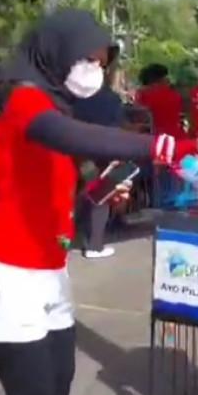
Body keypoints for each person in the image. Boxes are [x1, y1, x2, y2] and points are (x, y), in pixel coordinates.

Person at [0, 10, 198, 395]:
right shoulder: (26, 101)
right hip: (4, 273)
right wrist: (171, 147)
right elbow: (74, 138)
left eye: (102, 63)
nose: (95, 71)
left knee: (56, 394)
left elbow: (55, 185)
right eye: (88, 59)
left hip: (48, 271)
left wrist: (101, 191)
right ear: (58, 53)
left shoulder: (56, 108)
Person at [73, 49, 125, 260]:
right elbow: (115, 130)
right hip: (102, 154)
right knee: (100, 196)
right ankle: (94, 246)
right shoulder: (110, 99)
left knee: (83, 195)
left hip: (78, 153)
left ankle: (80, 237)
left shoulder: (74, 97)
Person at [135, 63, 184, 137]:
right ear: (162, 78)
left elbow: (139, 117)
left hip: (153, 137)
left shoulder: (143, 94)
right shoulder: (174, 94)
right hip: (176, 136)